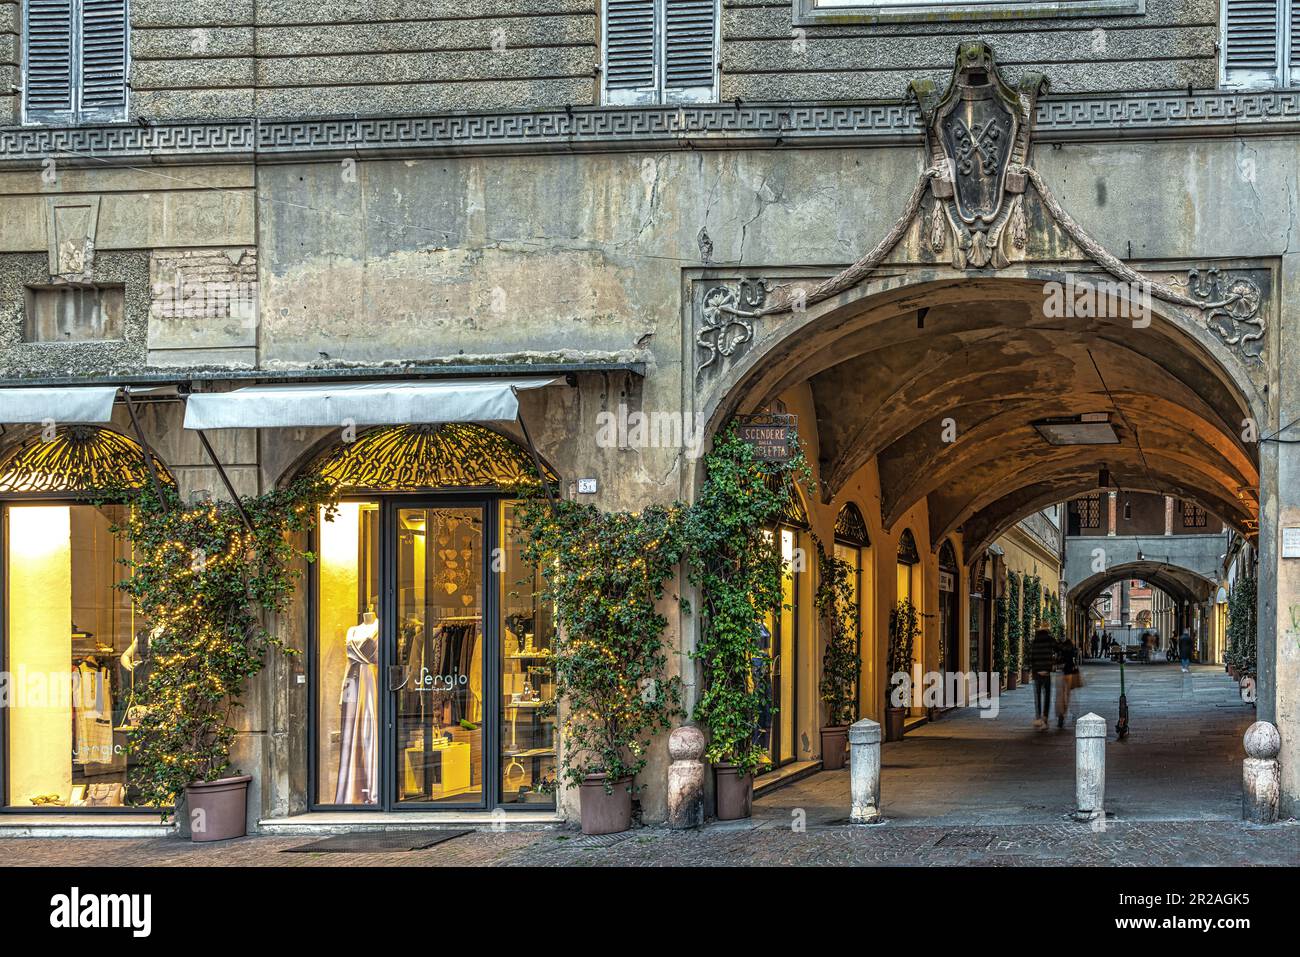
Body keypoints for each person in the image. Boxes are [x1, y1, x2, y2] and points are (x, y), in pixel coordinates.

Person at [1029, 627, 1056, 729]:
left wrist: (1032, 669)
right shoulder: (1049, 640)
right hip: (1046, 673)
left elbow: (1031, 657)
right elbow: (1058, 647)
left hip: (1037, 673)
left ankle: (1038, 717)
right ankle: (1045, 717)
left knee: (1038, 696)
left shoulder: (1035, 641)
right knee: (1047, 696)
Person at [1055, 636, 1078, 729]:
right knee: (1067, 695)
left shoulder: (1062, 650)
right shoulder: (1072, 650)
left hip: (1061, 674)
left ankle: (1061, 714)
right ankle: (1064, 712)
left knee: (1060, 695)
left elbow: (1058, 660)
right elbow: (1074, 661)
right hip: (1069, 674)